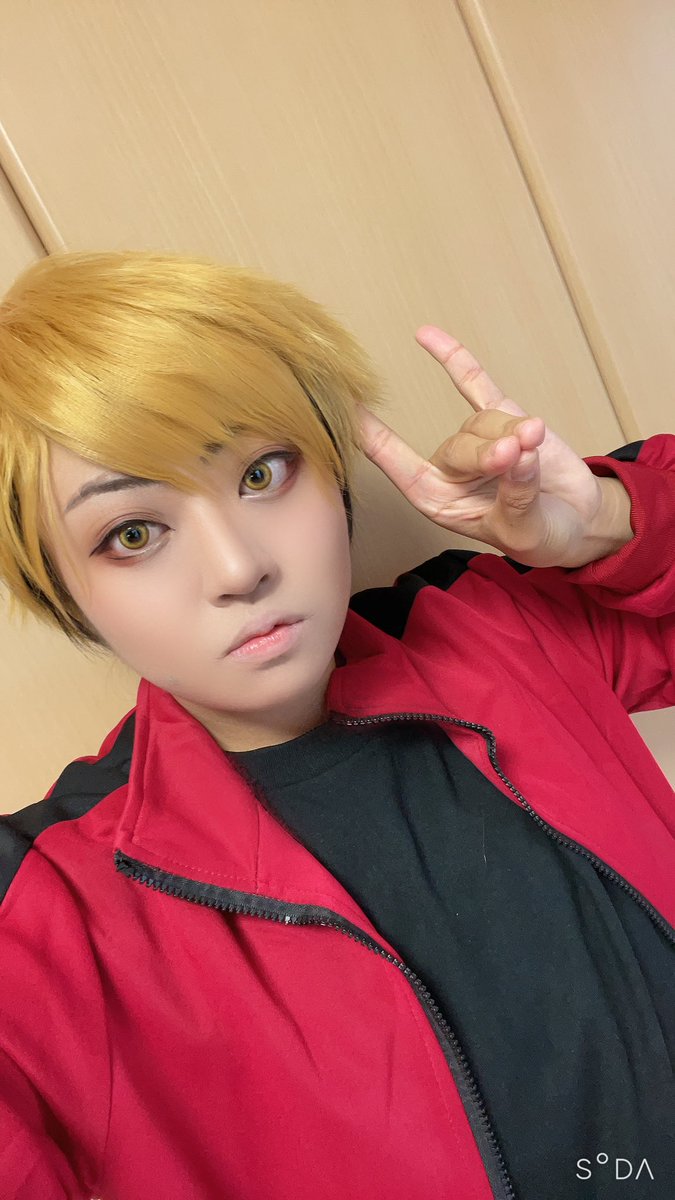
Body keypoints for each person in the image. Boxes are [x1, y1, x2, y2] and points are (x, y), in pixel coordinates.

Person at [0, 249, 673, 1200]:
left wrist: (603, 523)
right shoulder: (46, 913)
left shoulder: (494, 626)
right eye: (133, 534)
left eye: (261, 472)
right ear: (63, 593)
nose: (239, 567)